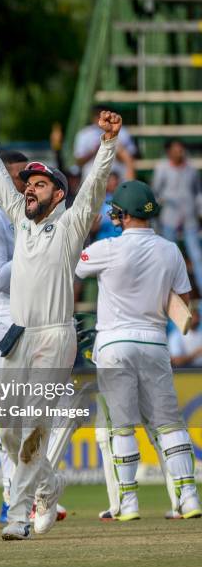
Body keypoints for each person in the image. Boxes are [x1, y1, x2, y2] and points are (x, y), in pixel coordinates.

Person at [0, 97, 120, 540]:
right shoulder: (18, 219)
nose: (28, 189)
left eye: (38, 185)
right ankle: (49, 487)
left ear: (58, 194)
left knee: (33, 427)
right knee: (8, 432)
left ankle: (17, 516)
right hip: (18, 335)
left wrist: (108, 143)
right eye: (27, 184)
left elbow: (95, 185)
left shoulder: (70, 225)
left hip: (55, 337)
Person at [76, 180, 201, 521]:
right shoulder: (171, 250)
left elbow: (75, 265)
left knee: (122, 425)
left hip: (115, 342)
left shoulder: (108, 248)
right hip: (154, 342)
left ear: (123, 214)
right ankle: (188, 498)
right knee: (169, 424)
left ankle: (129, 503)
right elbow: (184, 305)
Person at [0, 150, 66, 525]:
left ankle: (32, 490)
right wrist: (36, 252)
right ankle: (20, 492)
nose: (25, 187)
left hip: (35, 320)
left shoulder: (40, 217)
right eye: (17, 179)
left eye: (30, 182)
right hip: (1, 322)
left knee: (38, 416)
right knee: (14, 418)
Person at [152, 139, 202, 295]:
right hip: (169, 219)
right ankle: (169, 292)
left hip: (190, 219)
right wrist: (166, 201)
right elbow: (155, 192)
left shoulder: (191, 169)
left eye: (181, 149)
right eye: (176, 149)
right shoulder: (162, 168)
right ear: (169, 152)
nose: (180, 152)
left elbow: (197, 192)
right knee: (168, 257)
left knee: (197, 256)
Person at [74, 104, 136, 181]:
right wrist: (96, 150)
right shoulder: (84, 134)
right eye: (97, 115)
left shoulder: (122, 132)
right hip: (93, 172)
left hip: (117, 172)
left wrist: (115, 150)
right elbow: (79, 161)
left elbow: (131, 158)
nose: (99, 118)